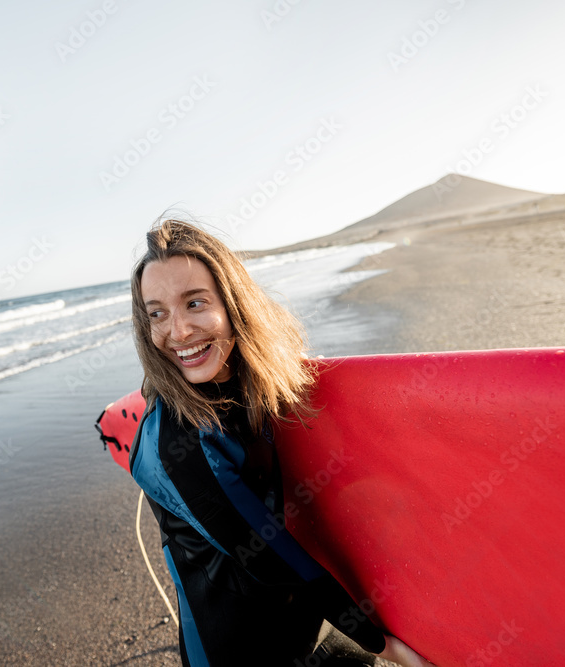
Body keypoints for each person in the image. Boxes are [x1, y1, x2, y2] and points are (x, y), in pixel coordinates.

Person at [126, 218, 435, 666]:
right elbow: (272, 555)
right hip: (236, 646)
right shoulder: (184, 444)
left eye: (195, 303)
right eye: (156, 313)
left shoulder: (240, 378)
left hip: (295, 616)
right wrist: (380, 644)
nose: (177, 331)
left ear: (234, 304)